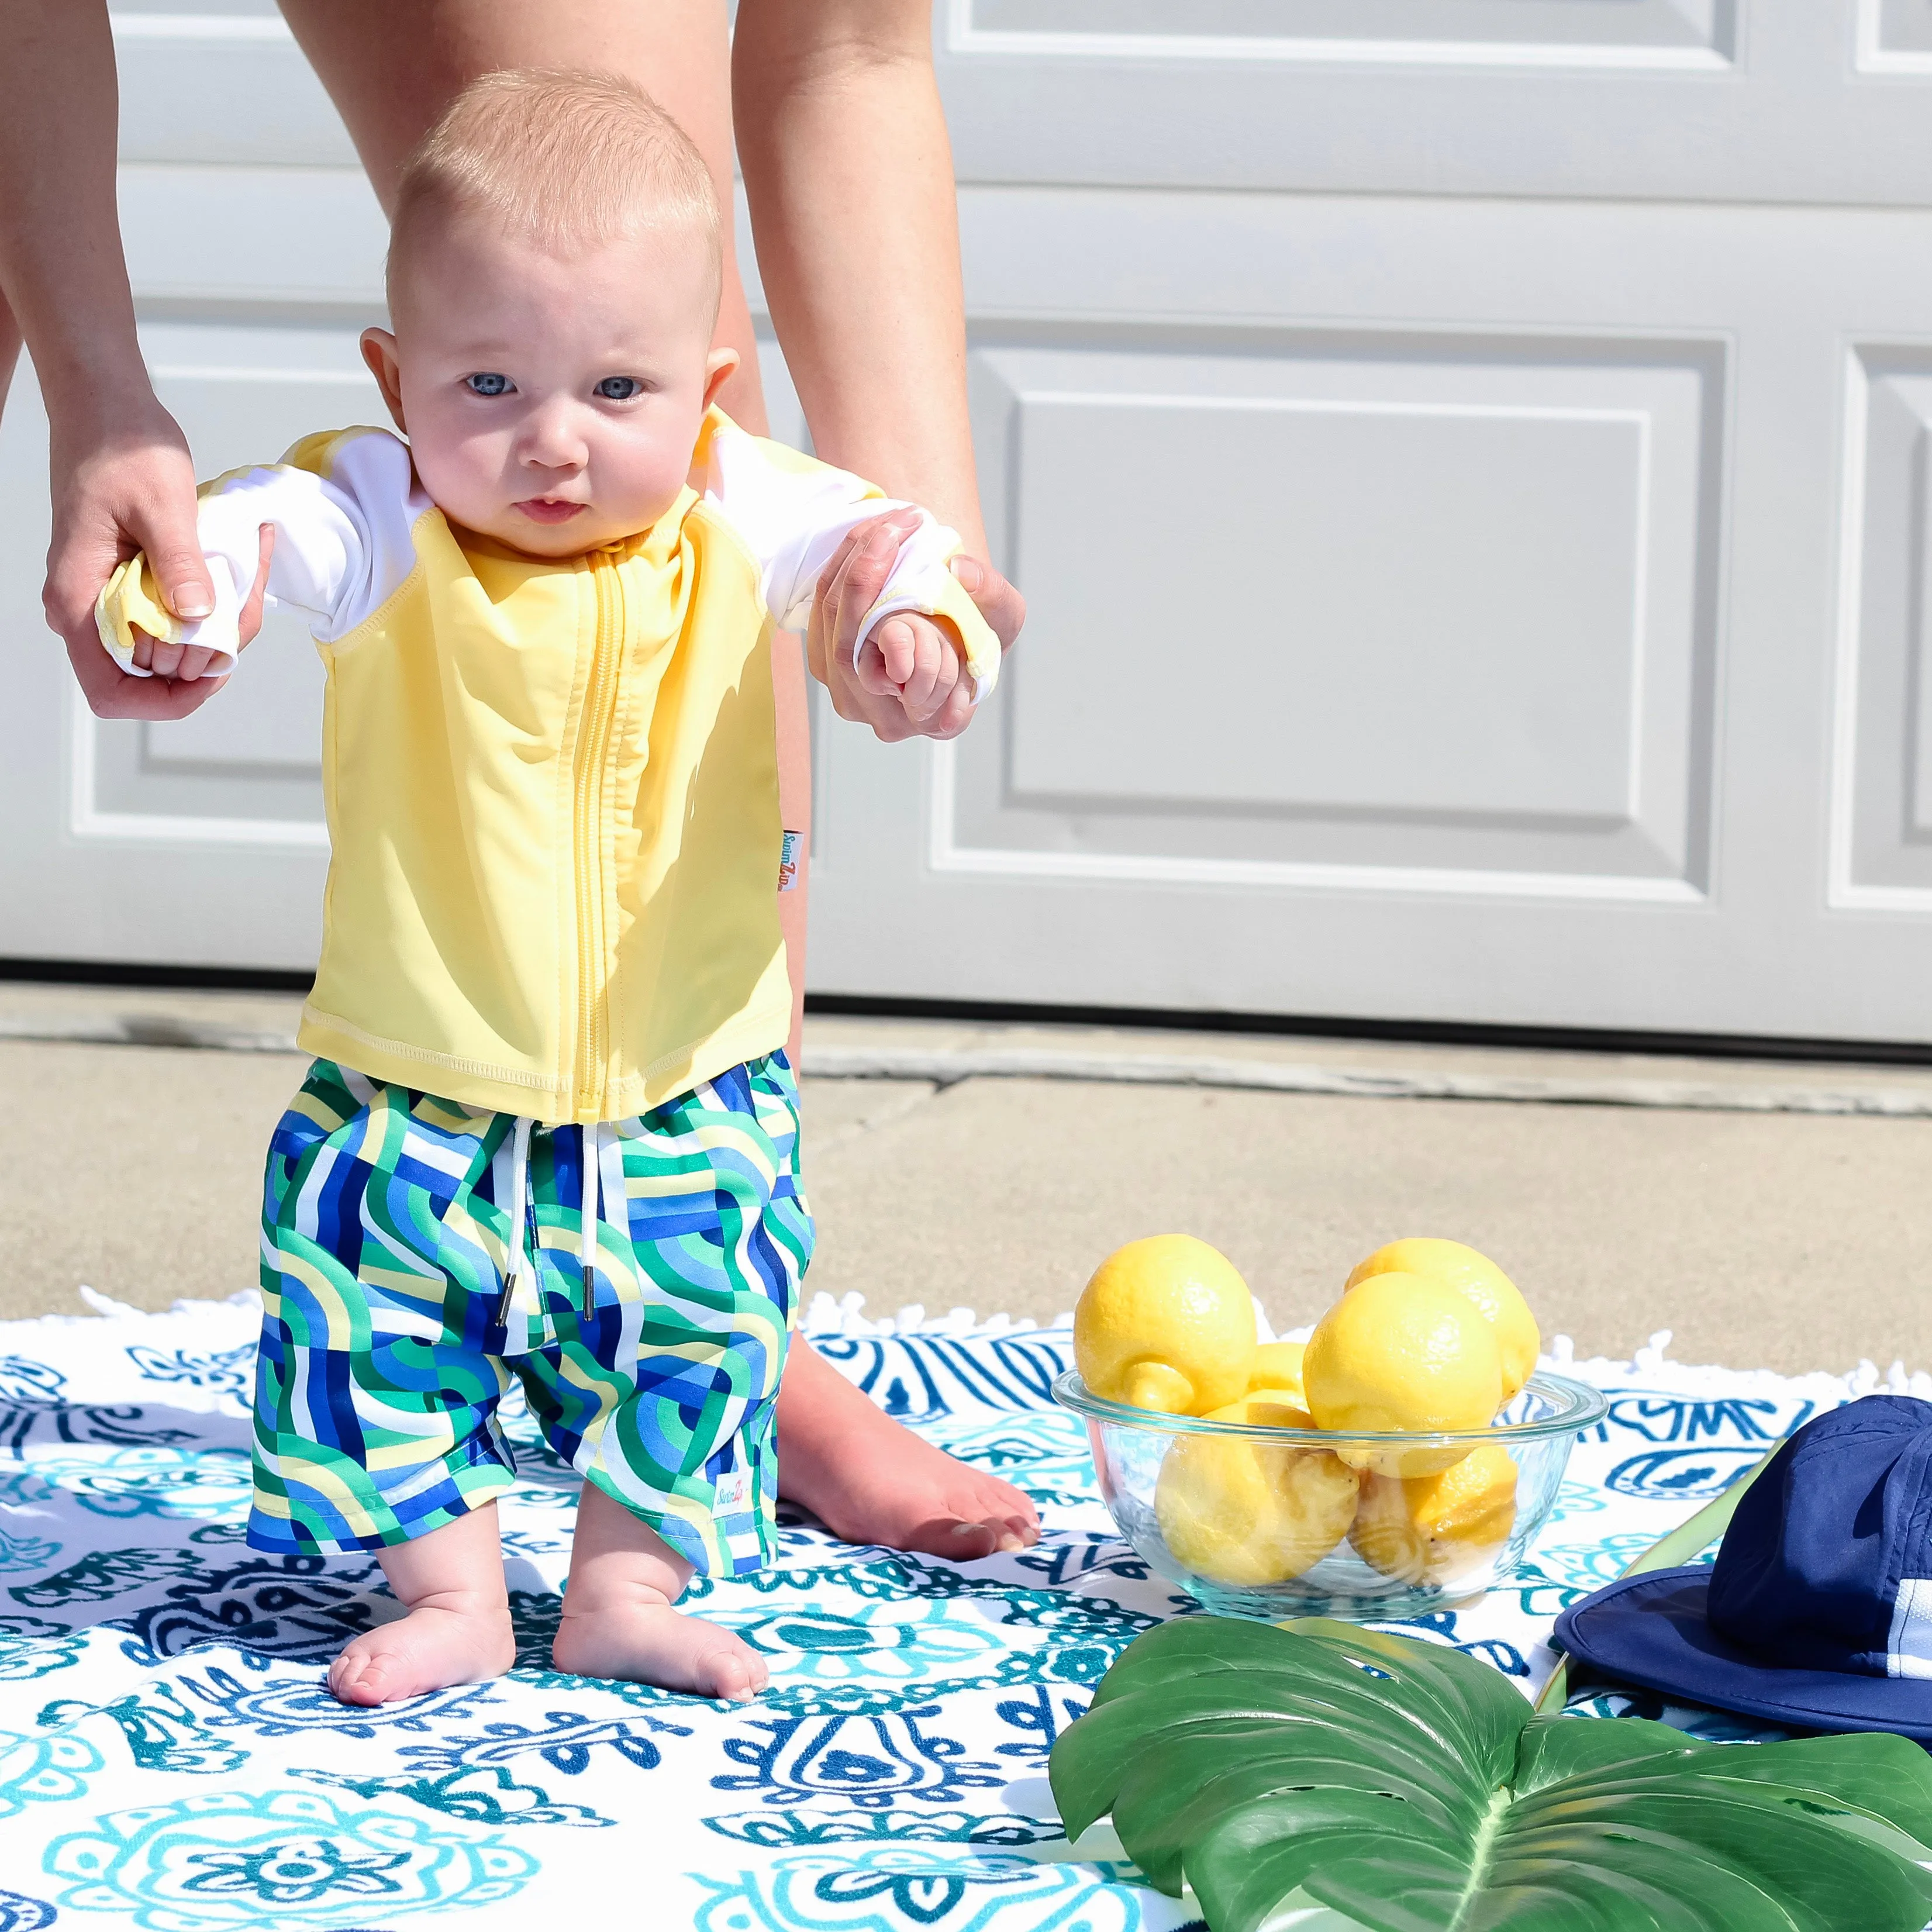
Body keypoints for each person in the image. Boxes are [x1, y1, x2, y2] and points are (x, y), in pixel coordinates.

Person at [0, 0, 1037, 1562]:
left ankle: (698, 1320)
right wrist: (104, 398)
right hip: (414, 1064)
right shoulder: (383, 500)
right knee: (559, 230)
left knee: (632, 324)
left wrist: (907, 555)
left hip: (665, 1039)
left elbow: (850, 53)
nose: (552, 445)